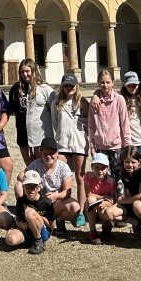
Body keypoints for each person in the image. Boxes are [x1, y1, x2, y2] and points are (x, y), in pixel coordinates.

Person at [49, 73, 89, 227]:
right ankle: (60, 208)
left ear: (76, 86)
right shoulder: (56, 103)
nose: (69, 88)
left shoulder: (83, 102)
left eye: (71, 85)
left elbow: (88, 122)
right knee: (60, 176)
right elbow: (55, 123)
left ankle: (81, 212)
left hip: (79, 143)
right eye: (66, 85)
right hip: (63, 144)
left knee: (80, 177)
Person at [20, 137, 80, 231]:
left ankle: (59, 219)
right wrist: (34, 186)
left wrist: (56, 195)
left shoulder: (63, 167)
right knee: (18, 186)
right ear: (41, 153)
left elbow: (67, 192)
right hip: (39, 203)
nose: (48, 156)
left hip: (56, 203)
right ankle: (25, 215)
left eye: (51, 153)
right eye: (45, 154)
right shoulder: (35, 165)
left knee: (75, 207)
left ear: (57, 153)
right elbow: (20, 176)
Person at [6, 58, 54, 164]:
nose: (25, 74)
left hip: (40, 135)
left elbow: (55, 109)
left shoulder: (45, 88)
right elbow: (11, 109)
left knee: (42, 165)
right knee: (30, 166)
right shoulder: (16, 89)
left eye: (27, 71)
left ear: (33, 70)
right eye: (22, 72)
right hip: (23, 133)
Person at [87, 68, 130, 173]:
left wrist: (127, 145)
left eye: (108, 82)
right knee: (102, 176)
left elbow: (124, 123)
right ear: (98, 83)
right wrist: (91, 145)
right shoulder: (94, 101)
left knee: (118, 175)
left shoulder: (119, 99)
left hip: (116, 145)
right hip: (100, 145)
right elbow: (91, 124)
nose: (105, 85)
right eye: (102, 82)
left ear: (113, 83)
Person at [114, 145, 141, 245]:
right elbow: (125, 192)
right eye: (127, 162)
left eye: (133, 162)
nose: (130, 165)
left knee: (137, 204)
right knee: (110, 213)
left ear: (139, 162)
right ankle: (136, 223)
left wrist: (122, 200)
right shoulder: (123, 174)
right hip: (131, 204)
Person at [5, 169, 54, 254]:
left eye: (34, 186)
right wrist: (20, 224)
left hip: (42, 231)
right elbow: (17, 218)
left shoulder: (47, 202)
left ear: (39, 187)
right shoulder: (21, 200)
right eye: (28, 186)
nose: (31, 190)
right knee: (10, 240)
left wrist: (37, 216)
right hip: (26, 228)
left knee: (29, 212)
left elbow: (52, 225)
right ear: (23, 187)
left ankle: (39, 241)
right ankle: (30, 240)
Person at [120, 70, 141, 176]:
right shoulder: (121, 99)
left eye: (134, 85)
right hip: (128, 140)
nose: (132, 87)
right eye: (129, 85)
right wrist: (96, 94)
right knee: (129, 171)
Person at [83, 151, 121, 243]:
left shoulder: (111, 181)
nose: (99, 171)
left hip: (103, 207)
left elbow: (112, 200)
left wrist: (105, 202)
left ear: (107, 168)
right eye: (96, 167)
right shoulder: (88, 176)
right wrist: (102, 197)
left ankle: (106, 227)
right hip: (92, 206)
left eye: (103, 168)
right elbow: (88, 194)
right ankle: (93, 231)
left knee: (105, 208)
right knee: (90, 199)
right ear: (92, 167)